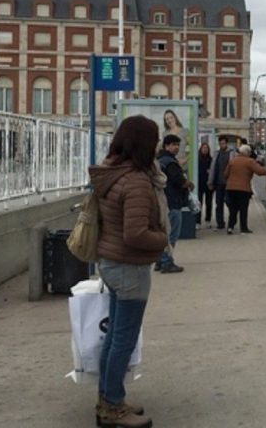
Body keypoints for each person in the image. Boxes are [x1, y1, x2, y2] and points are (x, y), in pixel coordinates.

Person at [88, 115, 167, 428]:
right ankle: (112, 408)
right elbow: (135, 234)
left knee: (115, 338)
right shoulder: (135, 181)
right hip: (129, 266)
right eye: (155, 139)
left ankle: (109, 397)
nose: (157, 144)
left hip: (112, 263)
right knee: (123, 339)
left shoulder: (113, 172)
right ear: (143, 144)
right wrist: (162, 240)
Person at [156, 134, 193, 274]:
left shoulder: (161, 160)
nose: (176, 147)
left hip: (164, 201)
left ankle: (160, 260)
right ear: (166, 146)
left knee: (164, 232)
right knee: (171, 234)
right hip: (172, 201)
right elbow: (178, 180)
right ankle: (167, 261)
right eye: (173, 144)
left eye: (178, 144)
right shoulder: (170, 162)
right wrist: (188, 183)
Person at [224, 144, 266, 234]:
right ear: (248, 152)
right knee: (243, 209)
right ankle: (243, 228)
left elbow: (225, 174)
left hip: (230, 189)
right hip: (243, 189)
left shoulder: (233, 160)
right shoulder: (249, 161)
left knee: (233, 209)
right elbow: (259, 171)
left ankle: (230, 227)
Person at [208, 135, 233, 230]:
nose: (221, 145)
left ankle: (231, 222)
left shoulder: (231, 154)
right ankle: (220, 223)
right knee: (218, 204)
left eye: (223, 143)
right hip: (218, 183)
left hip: (229, 183)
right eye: (220, 143)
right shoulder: (216, 154)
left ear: (226, 143)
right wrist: (210, 181)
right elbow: (213, 168)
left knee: (229, 203)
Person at [197, 142, 214, 229]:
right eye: (203, 148)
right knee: (199, 204)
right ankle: (197, 222)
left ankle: (208, 220)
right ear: (201, 149)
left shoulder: (211, 159)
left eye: (206, 148)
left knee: (209, 203)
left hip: (208, 185)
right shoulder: (197, 159)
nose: (205, 149)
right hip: (199, 184)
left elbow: (213, 171)